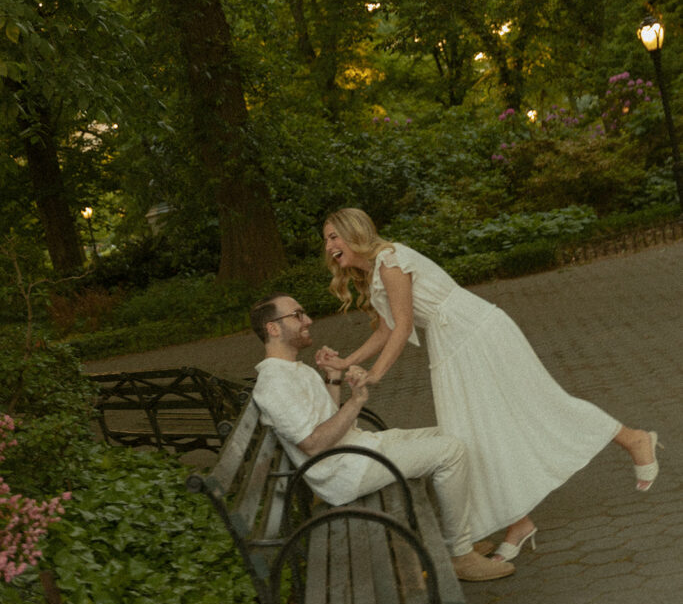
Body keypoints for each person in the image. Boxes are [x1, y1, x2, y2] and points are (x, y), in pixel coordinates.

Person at [318, 208, 660, 562]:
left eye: (333, 236)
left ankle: (633, 438)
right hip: (451, 344)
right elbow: (386, 329)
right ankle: (519, 522)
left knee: (541, 405)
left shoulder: (390, 261)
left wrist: (375, 375)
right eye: (326, 240)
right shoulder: (375, 274)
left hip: (476, 334)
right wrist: (346, 362)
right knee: (474, 436)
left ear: (353, 232)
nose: (329, 246)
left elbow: (403, 327)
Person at [249, 292, 515, 582]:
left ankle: (458, 539)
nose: (308, 320)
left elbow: (327, 420)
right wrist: (357, 401)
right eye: (297, 315)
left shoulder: (294, 370)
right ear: (273, 328)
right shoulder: (274, 383)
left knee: (454, 432)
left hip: (358, 450)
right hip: (343, 472)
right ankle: (461, 555)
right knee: (450, 451)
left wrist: (334, 377)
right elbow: (314, 445)